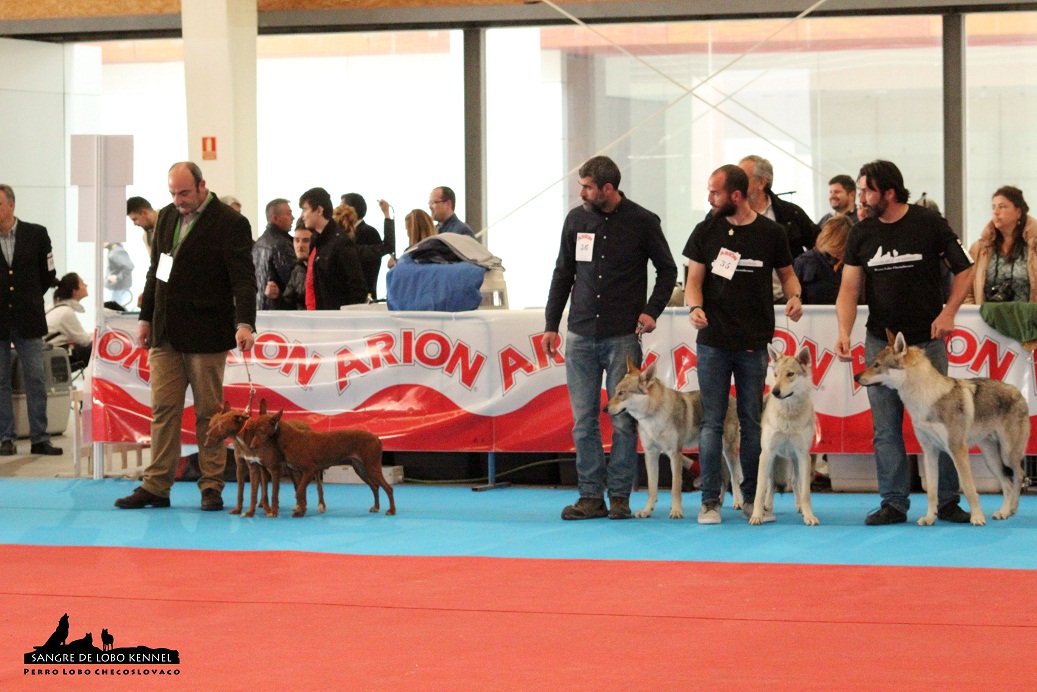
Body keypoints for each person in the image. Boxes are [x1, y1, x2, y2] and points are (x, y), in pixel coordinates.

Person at [835, 159, 974, 526]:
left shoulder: (928, 223)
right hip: (880, 344)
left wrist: (949, 313)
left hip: (925, 346)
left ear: (889, 192)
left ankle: (947, 500)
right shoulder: (861, 233)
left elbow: (965, 269)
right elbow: (849, 289)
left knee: (942, 424)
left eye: (866, 190)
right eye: (860, 190)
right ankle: (893, 502)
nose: (860, 196)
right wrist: (844, 332)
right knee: (885, 427)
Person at [115, 162, 256, 511]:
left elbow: (243, 278)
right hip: (165, 332)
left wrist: (245, 323)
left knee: (210, 414)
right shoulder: (165, 218)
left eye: (184, 193)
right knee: (163, 409)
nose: (178, 201)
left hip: (207, 332)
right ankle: (157, 485)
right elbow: (156, 271)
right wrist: (146, 317)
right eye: (173, 194)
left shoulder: (230, 223)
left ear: (202, 186)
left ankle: (212, 485)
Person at [544, 156, 677, 521]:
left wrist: (652, 311)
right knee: (583, 420)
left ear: (608, 188)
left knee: (622, 420)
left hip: (622, 336)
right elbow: (563, 272)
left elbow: (667, 270)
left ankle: (619, 496)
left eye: (587, 187)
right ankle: (590, 496)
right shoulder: (576, 219)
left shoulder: (643, 221)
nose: (581, 193)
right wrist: (551, 324)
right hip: (580, 334)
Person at [684, 164, 802, 524]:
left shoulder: (771, 232)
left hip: (754, 342)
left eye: (715, 193)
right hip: (713, 342)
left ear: (735, 196)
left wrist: (795, 297)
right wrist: (695, 306)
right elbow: (694, 281)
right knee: (712, 422)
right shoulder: (706, 230)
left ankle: (753, 498)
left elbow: (789, 276)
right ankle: (710, 502)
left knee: (752, 421)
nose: (709, 198)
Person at [0, 184, 62, 457]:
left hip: (29, 318)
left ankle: (40, 437)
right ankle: (5, 437)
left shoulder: (36, 234)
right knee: (1, 381)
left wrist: (29, 297)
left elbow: (48, 273)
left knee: (36, 378)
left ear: (12, 205)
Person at [966, 186, 1037, 305]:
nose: (996, 212)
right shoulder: (980, 248)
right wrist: (975, 316)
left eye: (1002, 206)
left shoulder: (1033, 245)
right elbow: (967, 290)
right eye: (993, 207)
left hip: (1029, 320)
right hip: (986, 320)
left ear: (1018, 212)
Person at [298, 187, 367, 310]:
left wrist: (343, 320)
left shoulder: (340, 242)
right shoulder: (316, 239)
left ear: (319, 210)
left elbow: (358, 289)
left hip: (333, 322)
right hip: (316, 317)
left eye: (305, 210)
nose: (302, 216)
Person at [739, 155, 819, 258]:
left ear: (762, 183)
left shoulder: (791, 213)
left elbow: (820, 244)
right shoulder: (728, 213)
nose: (736, 183)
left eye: (743, 177)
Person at [342, 193, 396, 300]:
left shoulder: (368, 232)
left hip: (363, 297)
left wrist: (387, 215)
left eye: (342, 207)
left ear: (351, 210)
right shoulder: (345, 233)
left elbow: (370, 267)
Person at [793, 213, 855, 304]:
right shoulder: (804, 262)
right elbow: (795, 298)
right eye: (837, 247)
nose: (838, 252)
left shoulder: (853, 264)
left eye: (843, 248)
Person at [253, 198, 296, 310]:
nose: (293, 217)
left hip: (259, 309)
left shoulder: (259, 243)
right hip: (278, 312)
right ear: (275, 219)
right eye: (288, 213)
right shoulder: (281, 244)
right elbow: (292, 281)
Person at [46, 273, 93, 371]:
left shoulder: (54, 306)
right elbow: (85, 340)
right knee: (95, 349)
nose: (86, 286)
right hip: (56, 356)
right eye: (83, 283)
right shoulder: (66, 312)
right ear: (75, 291)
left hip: (48, 353)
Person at [275, 219, 313, 310]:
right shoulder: (298, 269)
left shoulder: (321, 268)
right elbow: (288, 302)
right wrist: (276, 296)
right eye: (297, 240)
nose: (300, 246)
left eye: (306, 240)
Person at [103, 241, 134, 308]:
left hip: (117, 289)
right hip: (116, 289)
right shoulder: (114, 251)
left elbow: (129, 266)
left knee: (114, 311)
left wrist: (117, 277)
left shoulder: (116, 252)